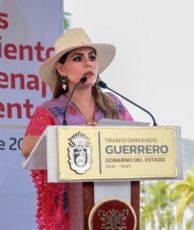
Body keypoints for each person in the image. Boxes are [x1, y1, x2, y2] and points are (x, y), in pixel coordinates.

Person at [21, 28, 133, 229]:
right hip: (69, 213)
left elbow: (135, 138)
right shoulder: (50, 110)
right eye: (78, 58)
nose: (88, 63)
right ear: (61, 69)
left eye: (91, 57)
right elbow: (27, 147)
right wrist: (79, 135)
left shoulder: (113, 104)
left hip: (114, 206)